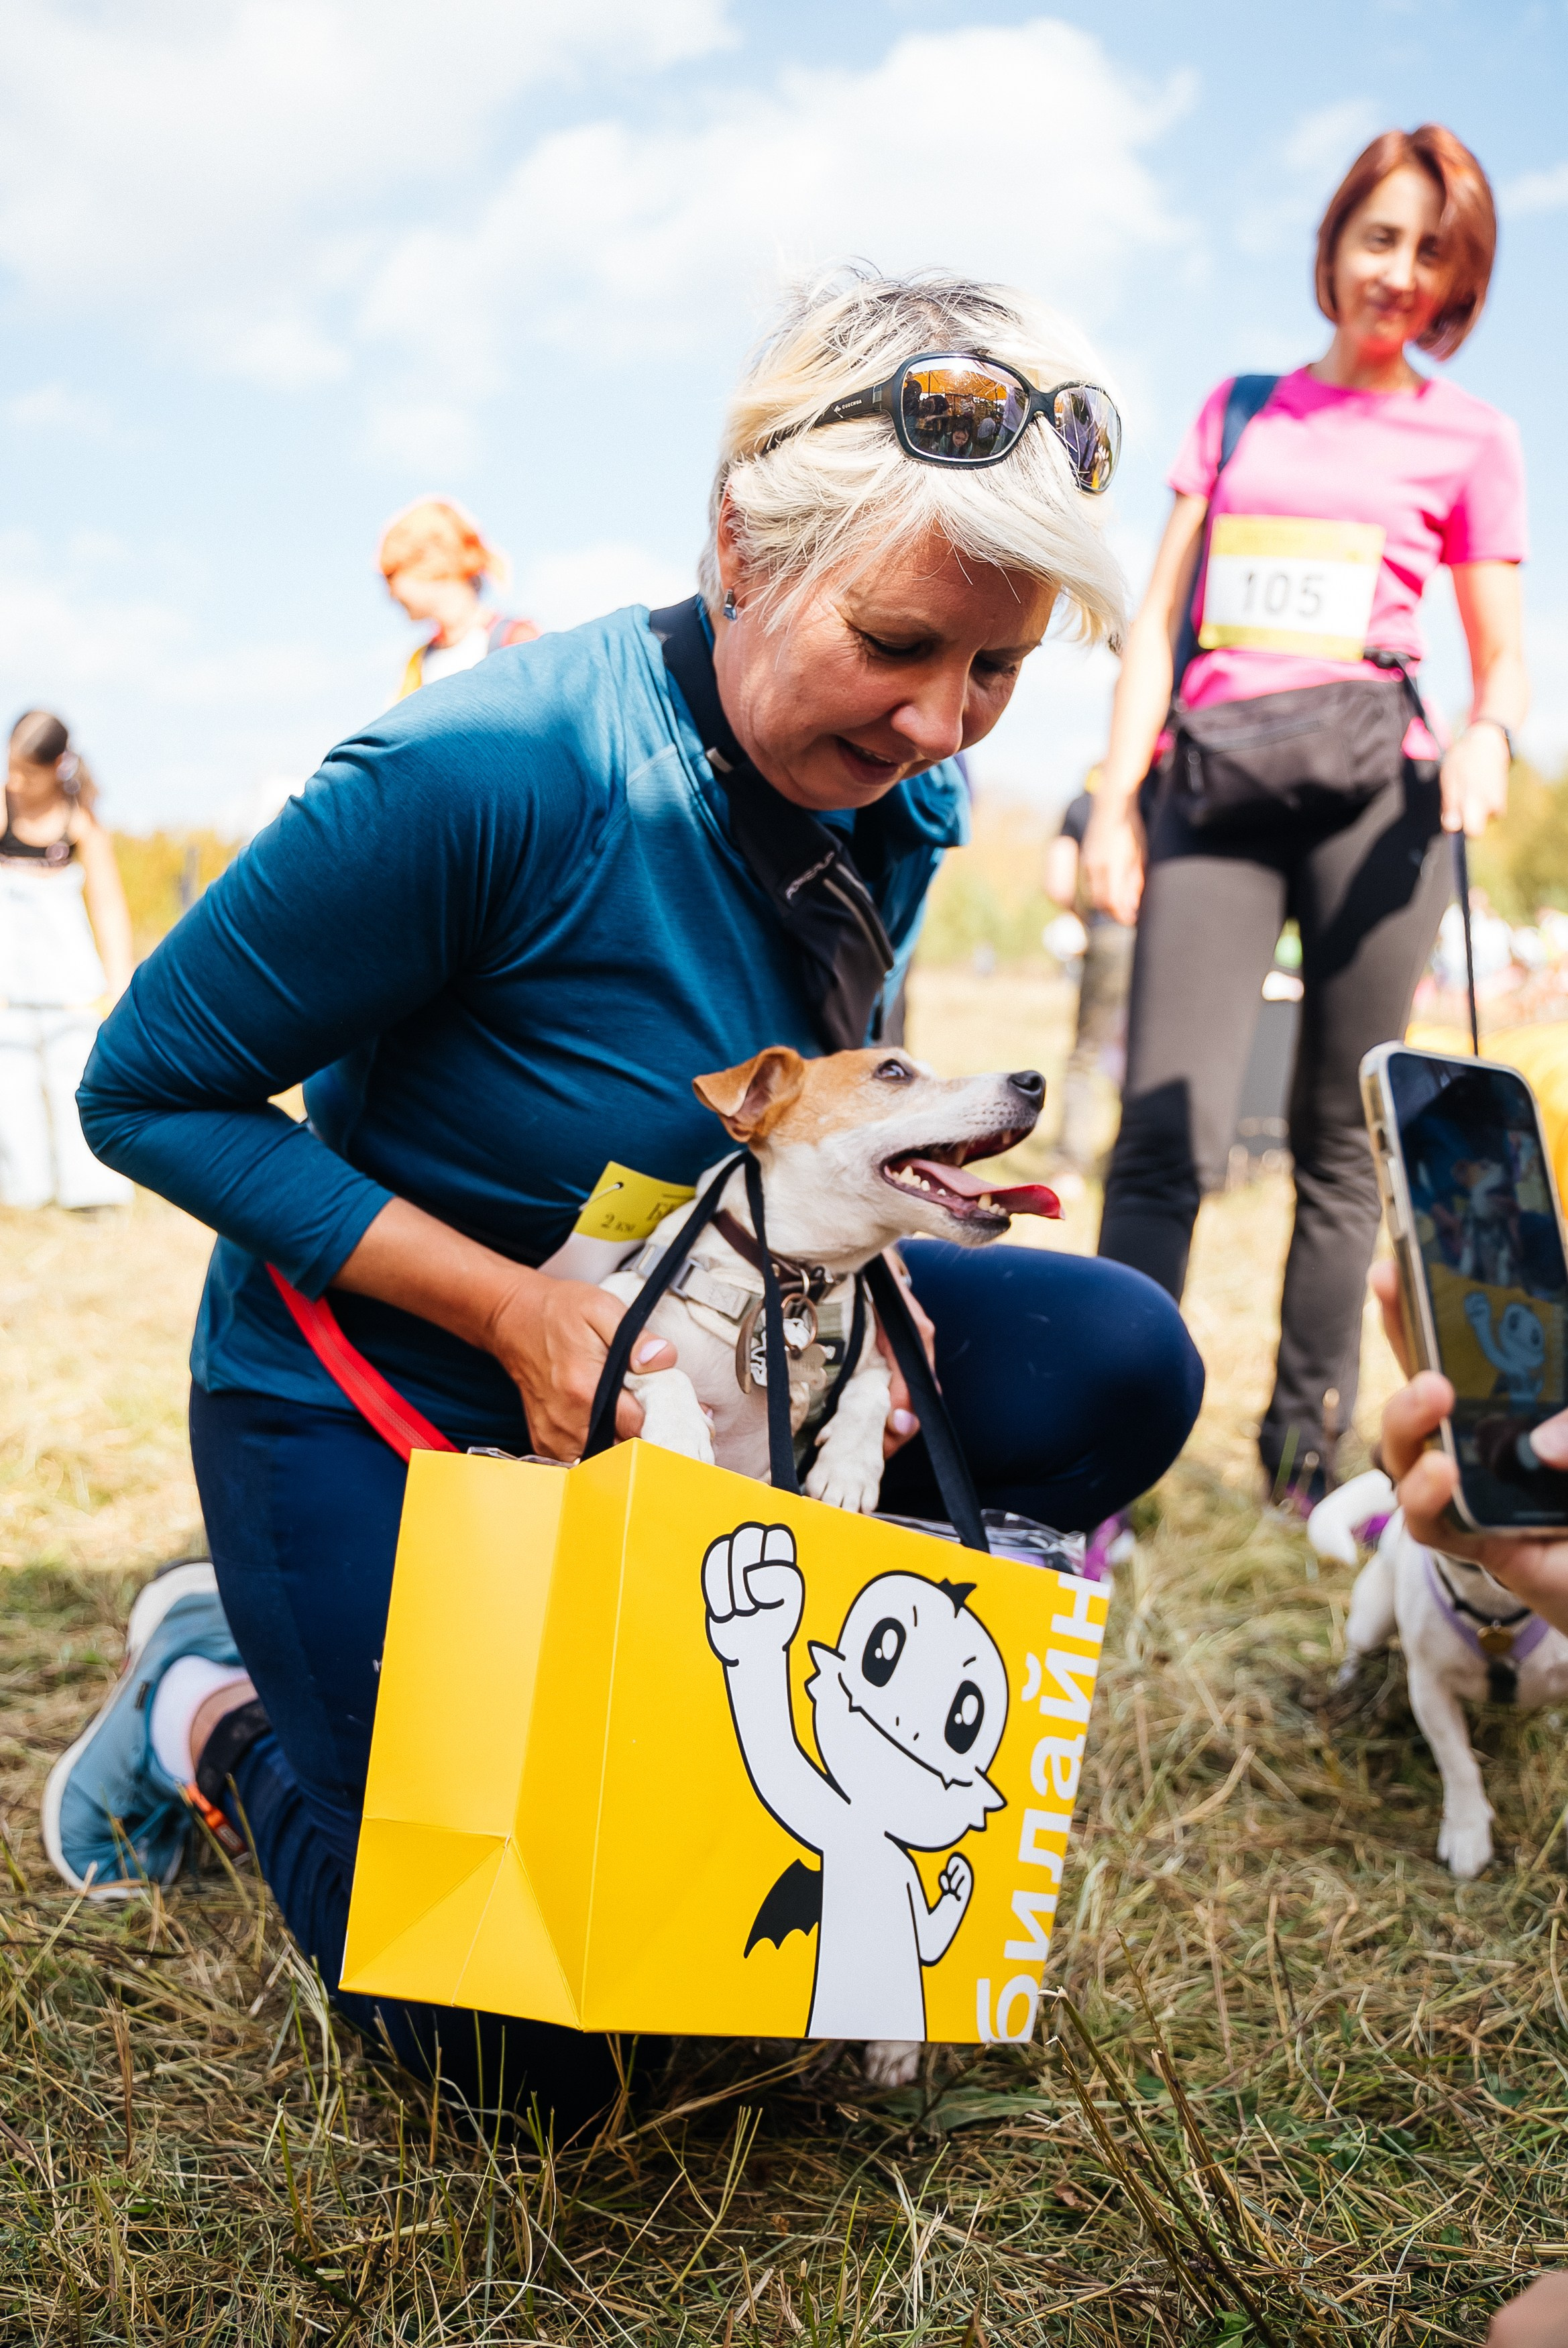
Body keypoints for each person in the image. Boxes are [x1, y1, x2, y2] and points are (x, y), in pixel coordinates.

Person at [52, 270, 1203, 2136]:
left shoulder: (889, 804)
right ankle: (209, 1698)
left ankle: (772, 1691)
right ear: (741, 548)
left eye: (995, 671)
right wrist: (511, 1312)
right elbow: (144, 1088)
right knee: (529, 2048)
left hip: (700, 1353)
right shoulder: (480, 771)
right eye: (901, 642)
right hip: (391, 1387)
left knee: (1109, 1361)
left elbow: (808, 1099)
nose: (938, 724)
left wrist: (875, 1285)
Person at [1084, 123, 1528, 1507]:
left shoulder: (1470, 437)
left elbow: (1498, 651)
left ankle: (1295, 1467)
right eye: (1380, 237)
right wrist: (1112, 799)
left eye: (1434, 252)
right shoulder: (1232, 408)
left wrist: (1487, 734)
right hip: (1211, 789)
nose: (1401, 272)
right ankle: (1094, 1448)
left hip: (1376, 806)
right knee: (1164, 1129)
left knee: (1345, 1142)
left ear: (1458, 279)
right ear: (1333, 242)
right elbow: (1150, 623)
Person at [0, 711, 133, 1210]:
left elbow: (107, 904)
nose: (15, 780)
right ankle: (23, 1195)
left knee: (75, 1080)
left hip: (70, 985)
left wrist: (118, 981)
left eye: (26, 772)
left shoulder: (81, 818)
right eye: (10, 766)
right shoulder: (3, 808)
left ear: (58, 766)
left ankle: (92, 1194)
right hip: (9, 983)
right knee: (9, 1086)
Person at [1044, 769, 1135, 1185]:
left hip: (1111, 931)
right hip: (1171, 932)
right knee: (1147, 1052)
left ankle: (1070, 1167)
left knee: (1086, 1055)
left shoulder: (1083, 804)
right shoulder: (1161, 795)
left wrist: (1075, 915)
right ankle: (1133, 1160)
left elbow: (1058, 882)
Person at [378, 496, 539, 700]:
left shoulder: (514, 638)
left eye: (392, 576)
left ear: (432, 566)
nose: (391, 594)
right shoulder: (418, 664)